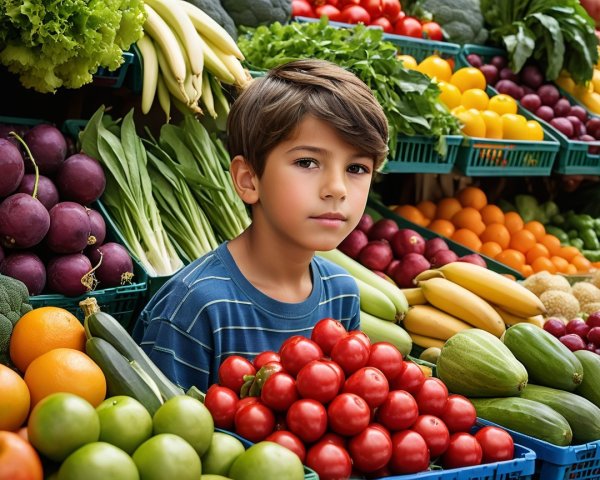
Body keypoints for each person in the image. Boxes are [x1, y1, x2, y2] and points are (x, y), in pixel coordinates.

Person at [131, 59, 389, 392]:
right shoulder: (194, 307)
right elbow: (168, 433)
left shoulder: (342, 291)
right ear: (248, 180)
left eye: (356, 169)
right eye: (307, 162)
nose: (337, 188)